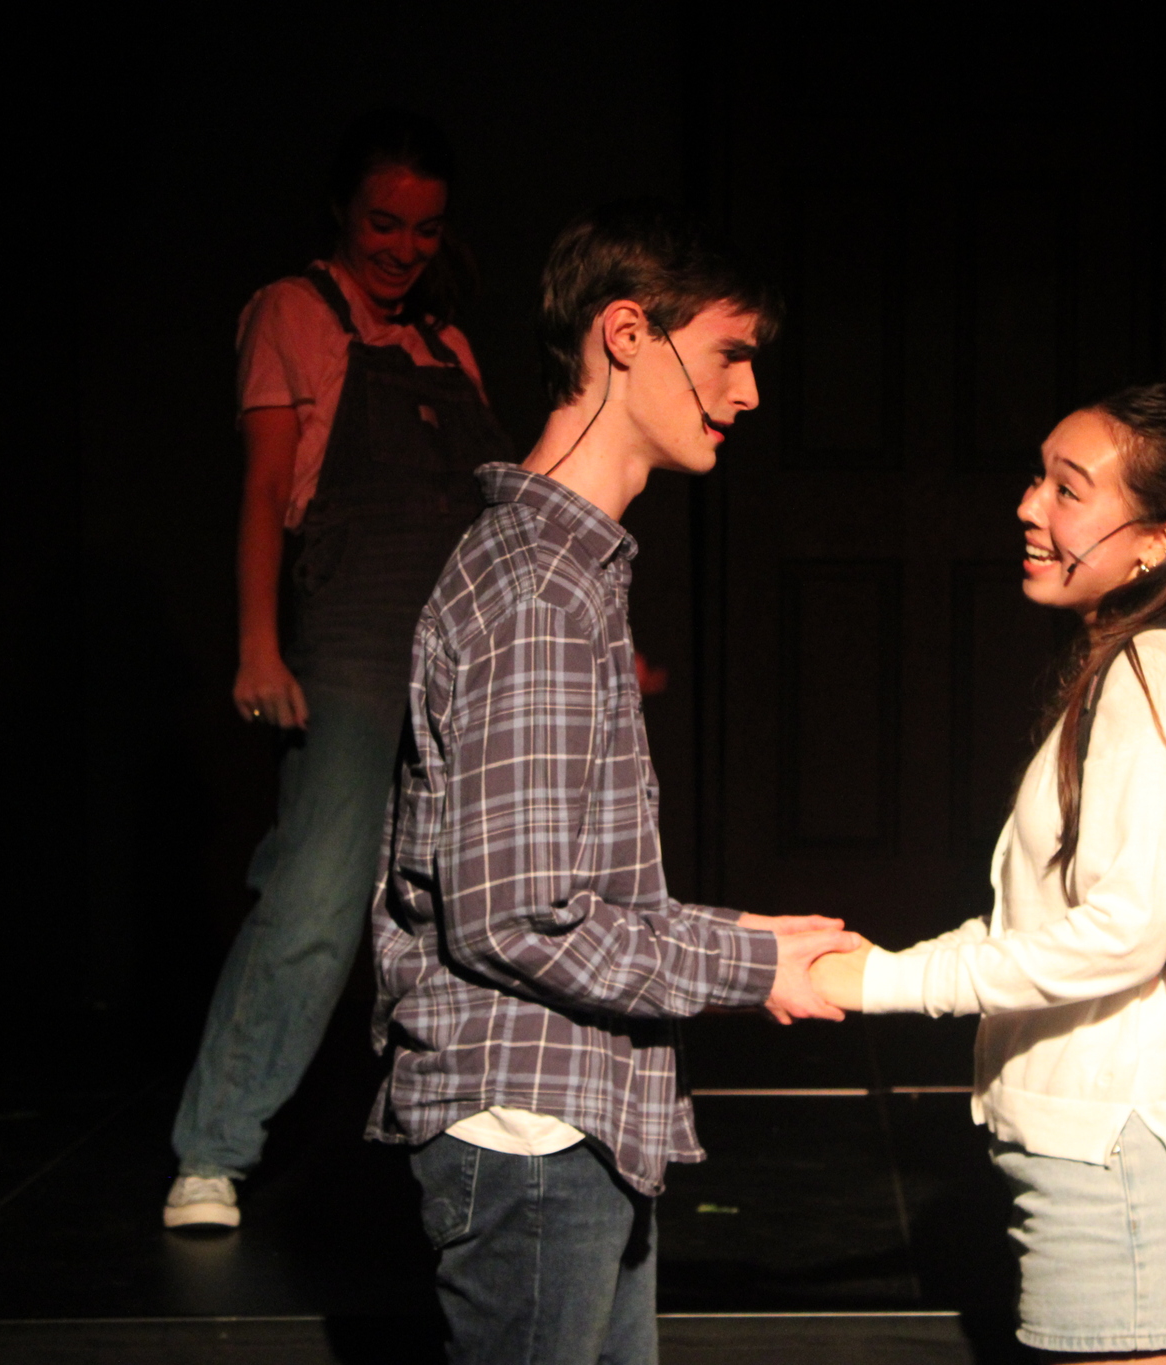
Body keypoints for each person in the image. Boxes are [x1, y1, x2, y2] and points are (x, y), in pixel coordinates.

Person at [369, 200, 861, 1365]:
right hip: (527, 1135)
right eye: (729, 354)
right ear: (627, 333)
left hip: (563, 1125)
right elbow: (516, 917)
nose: (748, 392)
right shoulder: (541, 589)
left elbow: (556, 887)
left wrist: (738, 936)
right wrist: (745, 966)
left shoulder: (563, 573)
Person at [814, 384, 1166, 1364]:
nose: (1029, 506)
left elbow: (1121, 934)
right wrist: (870, 969)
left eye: (1068, 489)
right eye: (1037, 478)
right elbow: (1038, 924)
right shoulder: (1133, 666)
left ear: (1158, 540)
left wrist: (884, 982)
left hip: (1126, 1165)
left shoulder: (1160, 671)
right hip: (1103, 1161)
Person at [164, 109, 513, 1229]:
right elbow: (265, 489)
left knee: (477, 901)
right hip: (353, 641)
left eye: (425, 228)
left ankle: (473, 1143)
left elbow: (495, 521)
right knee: (316, 900)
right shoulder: (292, 312)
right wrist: (257, 645)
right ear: (341, 212)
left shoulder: (447, 347)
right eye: (383, 222)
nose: (404, 248)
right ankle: (213, 1151)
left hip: (461, 648)